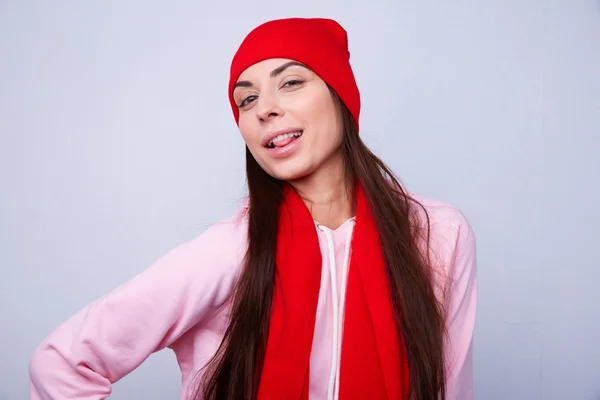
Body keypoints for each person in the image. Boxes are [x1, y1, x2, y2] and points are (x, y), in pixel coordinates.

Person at [28, 17, 477, 400]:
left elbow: (449, 386)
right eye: (247, 99)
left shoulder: (437, 232)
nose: (264, 109)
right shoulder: (229, 249)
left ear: (340, 97)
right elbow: (63, 363)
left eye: (291, 82)